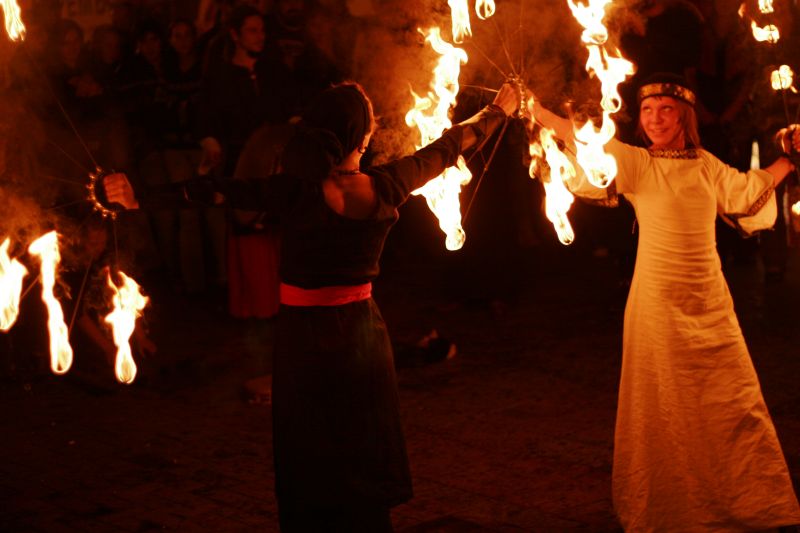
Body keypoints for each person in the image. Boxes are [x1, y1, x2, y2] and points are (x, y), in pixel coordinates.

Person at [104, 80, 520, 531]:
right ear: (362, 138)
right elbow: (450, 144)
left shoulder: (293, 192)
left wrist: (137, 196)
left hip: (305, 337)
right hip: (362, 333)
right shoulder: (388, 183)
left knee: (312, 448)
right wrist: (498, 110)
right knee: (360, 444)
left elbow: (212, 192)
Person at [529, 72, 800, 531]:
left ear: (684, 116)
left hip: (709, 300)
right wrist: (535, 111)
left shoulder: (706, 165)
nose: (656, 118)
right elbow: (582, 137)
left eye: (666, 110)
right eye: (649, 111)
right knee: (662, 400)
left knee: (729, 398)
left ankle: (747, 501)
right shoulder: (637, 164)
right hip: (655, 300)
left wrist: (789, 159)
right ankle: (668, 507)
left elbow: (747, 192)